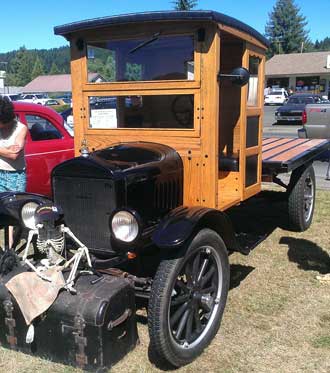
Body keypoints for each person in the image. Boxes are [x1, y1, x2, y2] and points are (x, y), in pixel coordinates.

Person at [0, 96, 27, 247]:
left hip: (15, 176)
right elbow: (9, 152)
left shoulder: (21, 128)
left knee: (13, 212)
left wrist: (7, 151)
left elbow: (14, 155)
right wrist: (6, 150)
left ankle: (10, 246)